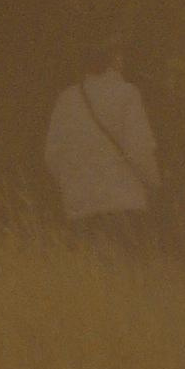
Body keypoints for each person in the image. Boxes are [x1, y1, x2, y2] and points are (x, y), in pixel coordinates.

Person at [44, 49, 160, 247]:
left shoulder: (67, 99)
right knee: (125, 271)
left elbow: (52, 155)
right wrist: (154, 183)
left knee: (89, 273)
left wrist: (72, 185)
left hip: (80, 206)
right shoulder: (127, 94)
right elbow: (139, 149)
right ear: (115, 60)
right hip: (124, 202)